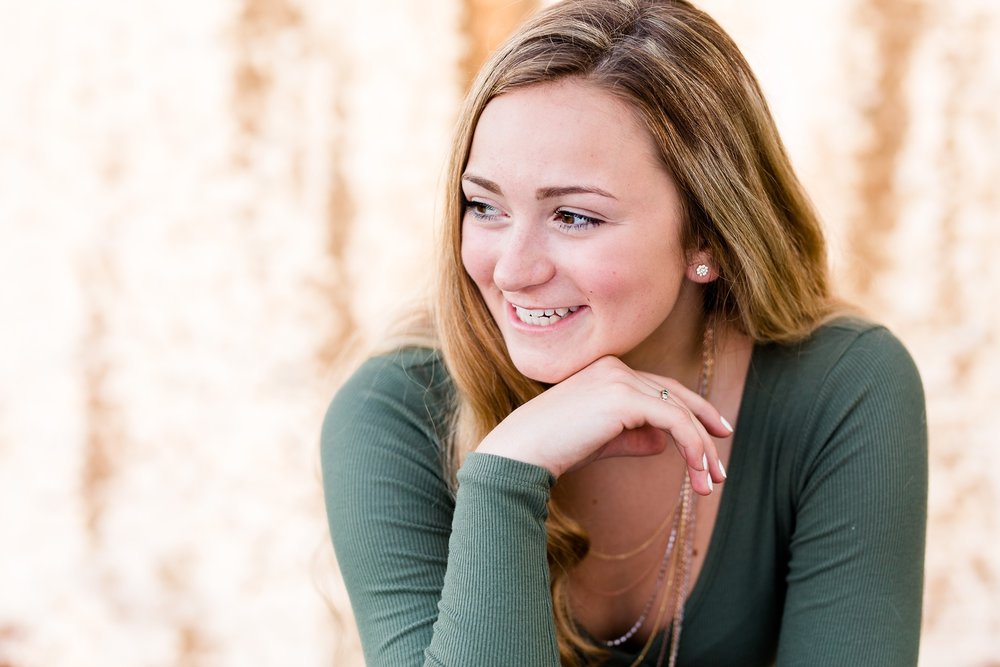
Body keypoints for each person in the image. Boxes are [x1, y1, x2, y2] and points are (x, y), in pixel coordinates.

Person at [321, 0, 927, 665]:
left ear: (708, 235)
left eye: (574, 216)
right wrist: (505, 476)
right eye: (485, 205)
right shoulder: (395, 409)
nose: (513, 269)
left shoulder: (842, 388)